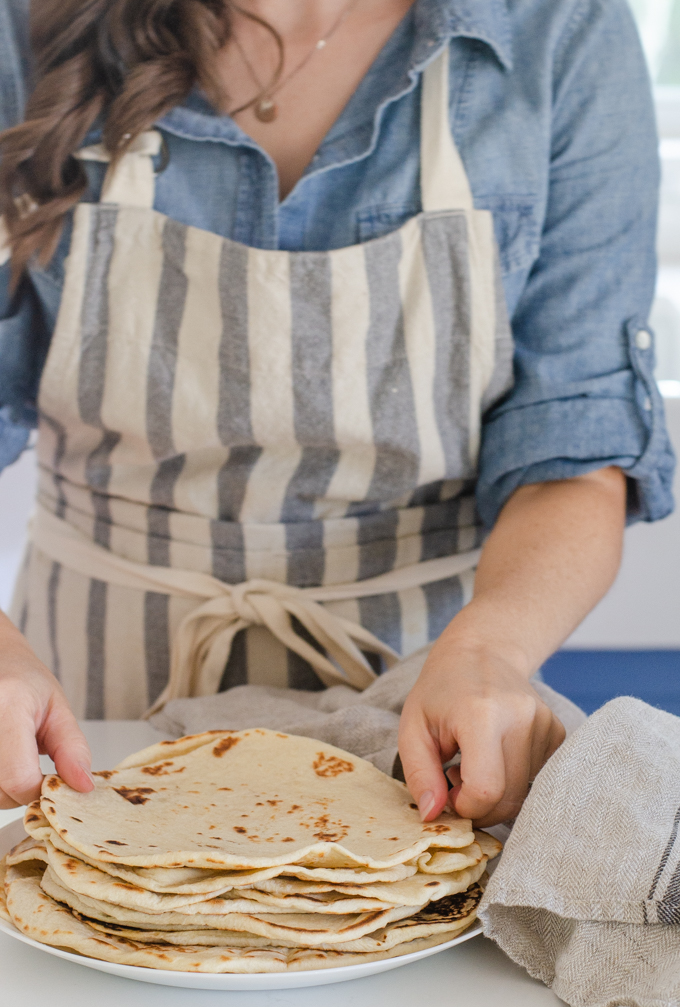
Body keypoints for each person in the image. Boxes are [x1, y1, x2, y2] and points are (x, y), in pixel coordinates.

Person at [0, 0, 672, 827]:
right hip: (83, 725)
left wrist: (489, 650)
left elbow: (573, 445)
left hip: (426, 720)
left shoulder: (556, 30)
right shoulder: (21, 25)